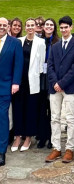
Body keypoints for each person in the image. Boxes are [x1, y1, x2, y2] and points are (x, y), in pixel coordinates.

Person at [46, 16, 74, 164]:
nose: (63, 30)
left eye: (66, 27)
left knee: (70, 118)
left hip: (70, 87)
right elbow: (50, 65)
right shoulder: (54, 46)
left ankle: (69, 149)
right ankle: (56, 148)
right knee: (54, 118)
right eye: (61, 28)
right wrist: (55, 82)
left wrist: (62, 83)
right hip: (54, 87)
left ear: (71, 28)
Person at [10, 18, 45, 153]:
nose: (30, 27)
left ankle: (28, 138)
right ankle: (18, 137)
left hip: (33, 81)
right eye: (28, 25)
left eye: (33, 25)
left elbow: (42, 63)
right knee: (18, 109)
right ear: (25, 27)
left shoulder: (40, 42)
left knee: (30, 110)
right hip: (19, 80)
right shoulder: (19, 41)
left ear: (36, 27)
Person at [0, 18, 22, 166]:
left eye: (4, 25)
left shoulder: (15, 43)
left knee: (2, 117)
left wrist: (15, 82)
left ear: (8, 27)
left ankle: (1, 151)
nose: (1, 27)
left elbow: (18, 64)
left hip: (5, 86)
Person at [36, 18, 58, 149]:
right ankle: (41, 136)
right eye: (47, 25)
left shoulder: (57, 42)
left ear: (54, 28)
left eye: (51, 25)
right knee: (41, 108)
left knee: (52, 110)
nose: (49, 27)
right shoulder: (39, 41)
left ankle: (51, 137)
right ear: (44, 27)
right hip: (40, 78)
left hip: (51, 78)